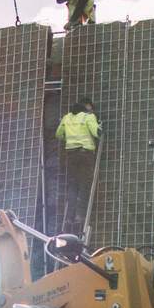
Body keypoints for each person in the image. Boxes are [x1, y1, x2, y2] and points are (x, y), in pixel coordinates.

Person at [55, 95, 101, 234]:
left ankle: (69, 218)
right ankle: (80, 217)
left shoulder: (67, 118)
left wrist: (69, 138)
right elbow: (97, 133)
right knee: (84, 186)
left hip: (71, 155)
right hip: (85, 154)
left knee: (73, 186)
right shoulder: (88, 117)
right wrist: (100, 128)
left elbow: (58, 134)